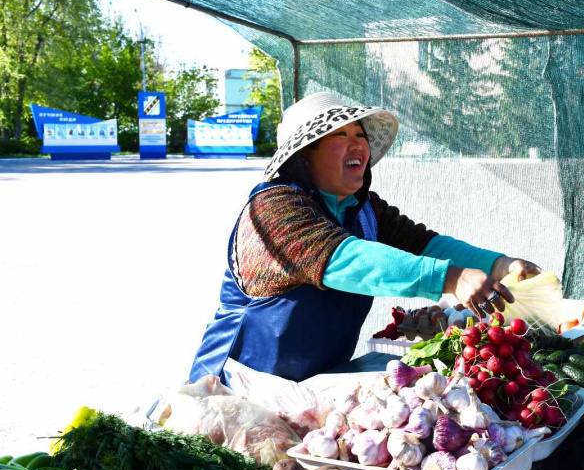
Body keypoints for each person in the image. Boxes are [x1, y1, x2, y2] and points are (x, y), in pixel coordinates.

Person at [189, 92, 540, 384]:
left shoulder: (365, 209)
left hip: (313, 385)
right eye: (339, 136)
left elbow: (424, 244)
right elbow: (343, 257)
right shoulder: (273, 208)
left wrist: (499, 264)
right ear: (304, 155)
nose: (356, 144)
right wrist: (450, 278)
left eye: (359, 135)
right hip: (237, 386)